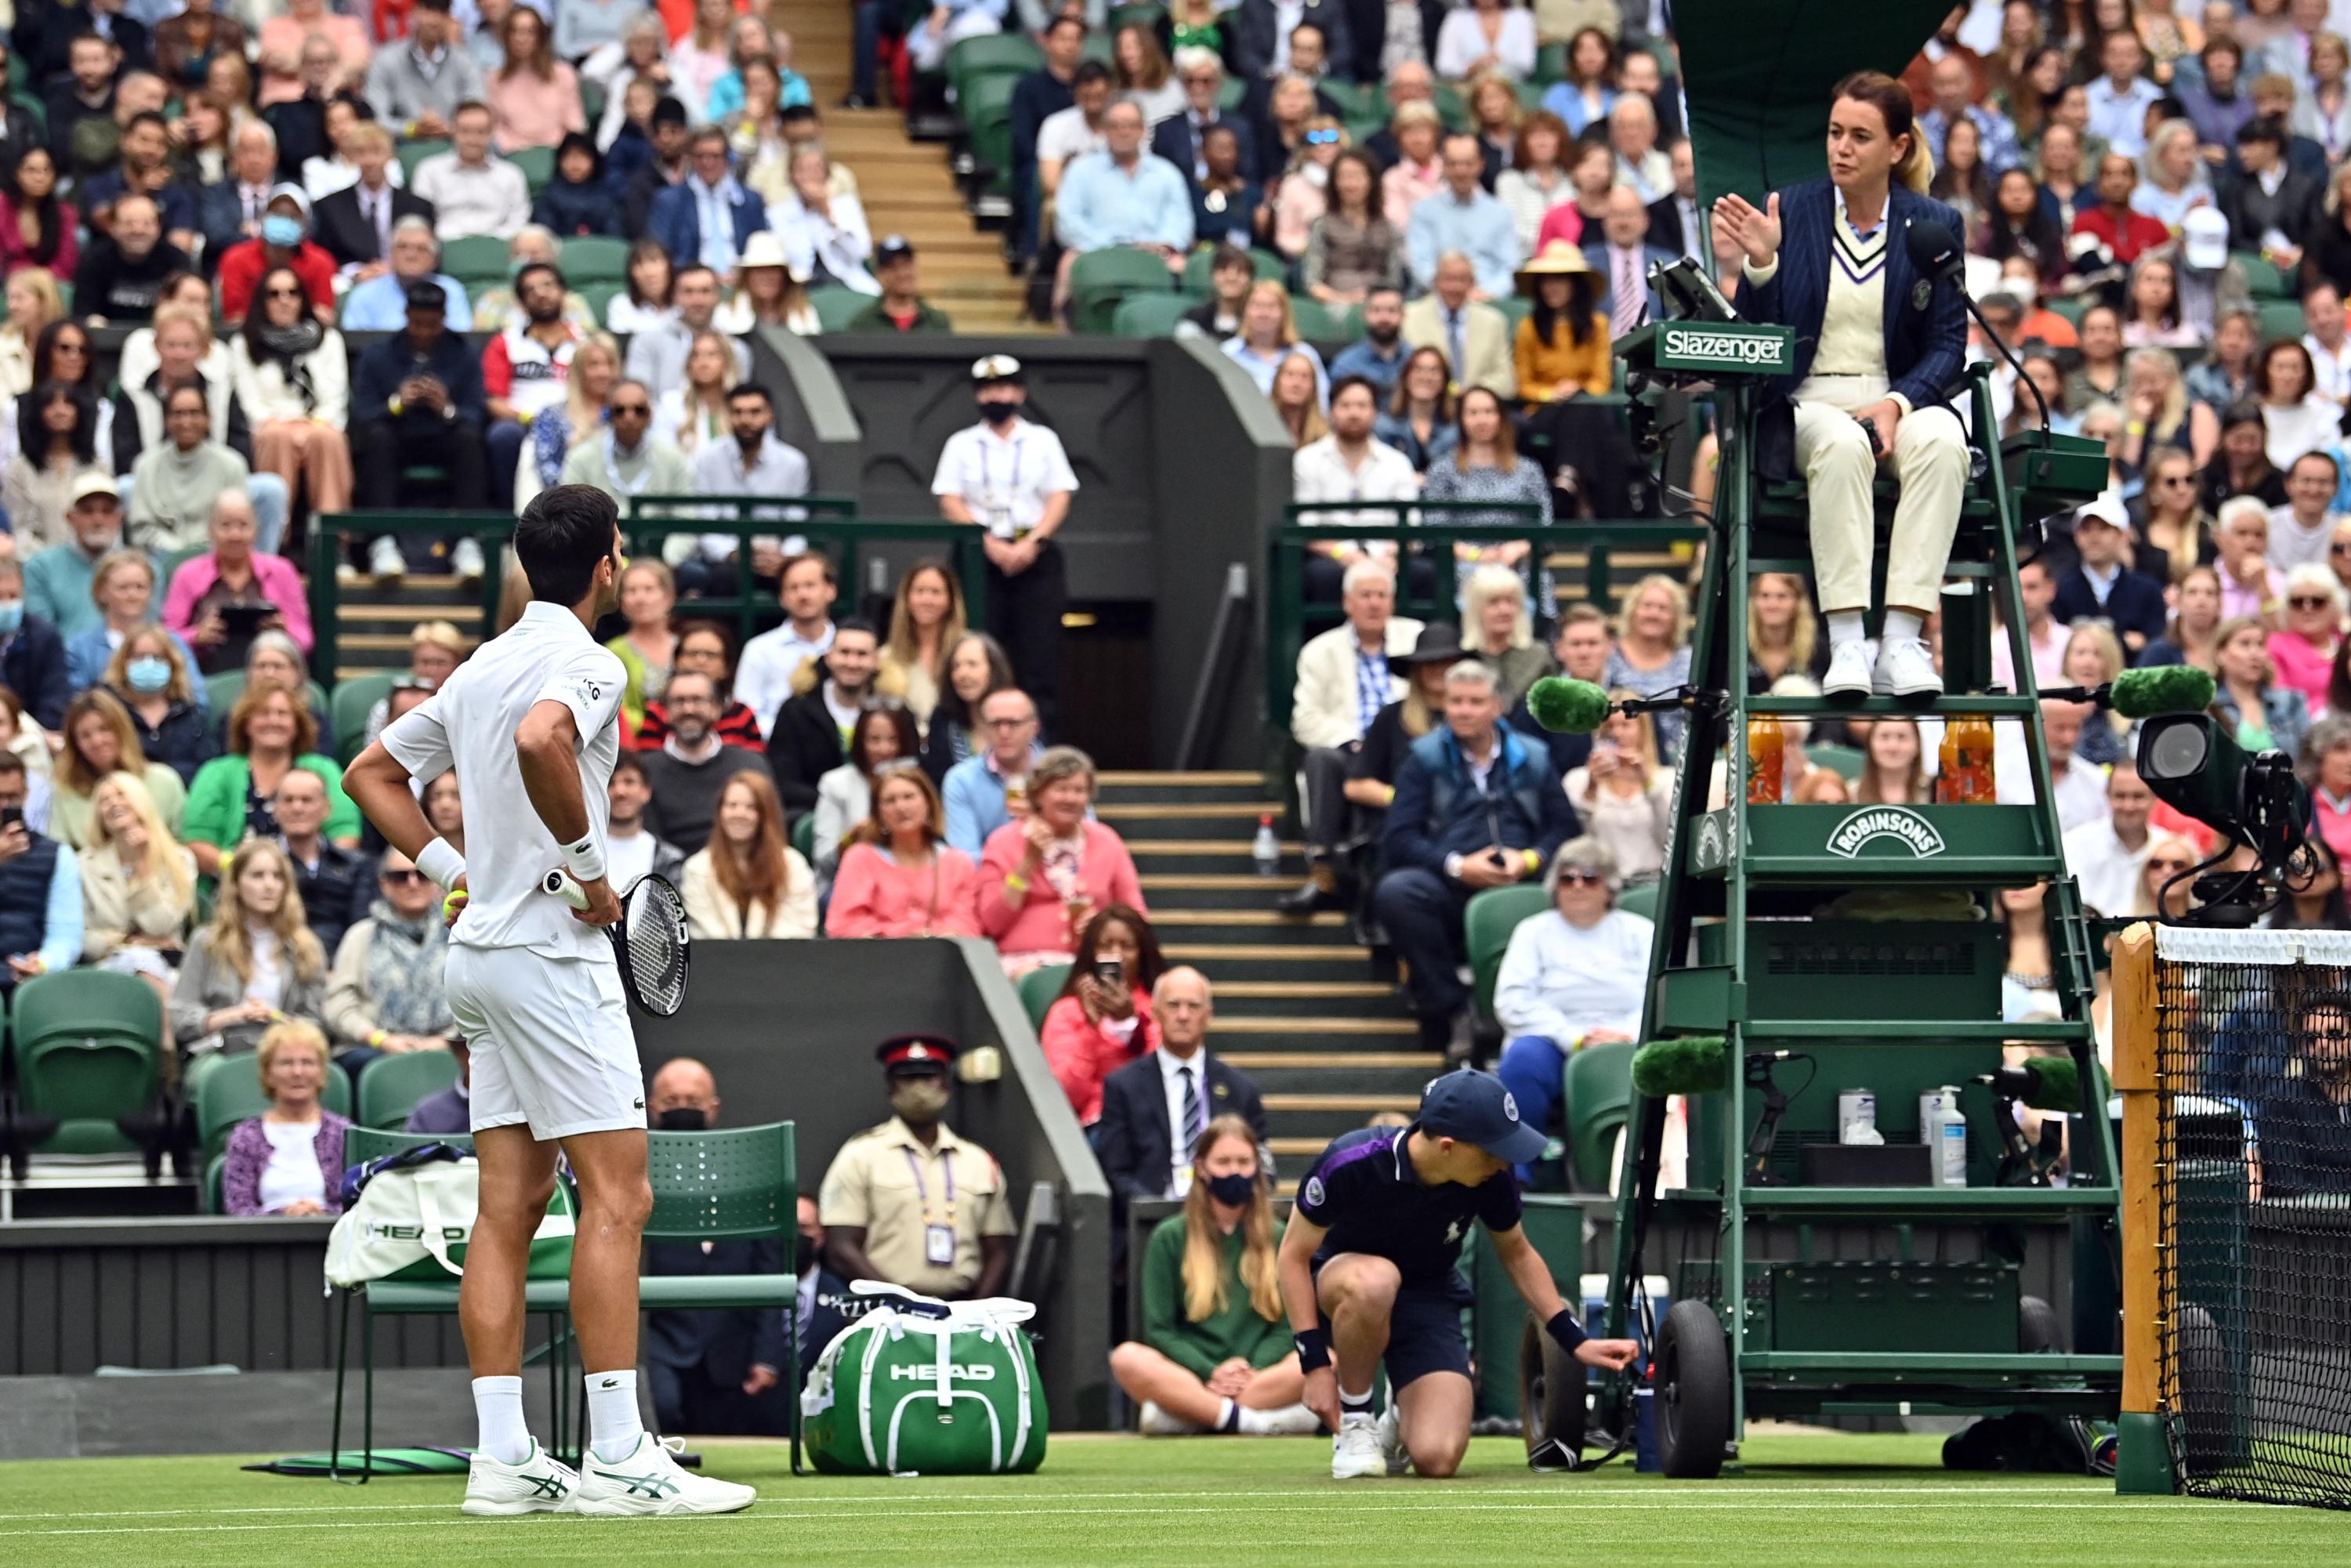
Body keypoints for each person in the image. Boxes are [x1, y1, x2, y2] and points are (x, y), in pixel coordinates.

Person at [341, 483, 758, 1515]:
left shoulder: (479, 663)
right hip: (549, 957)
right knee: (620, 1197)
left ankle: (504, 1459)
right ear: (609, 564)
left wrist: (455, 868)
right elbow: (541, 741)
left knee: (510, 1206)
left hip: (478, 956)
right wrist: (587, 868)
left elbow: (368, 773)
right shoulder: (585, 660)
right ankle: (619, 1455)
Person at [1712, 71, 1969, 701]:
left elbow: (1949, 343)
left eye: (1860, 136)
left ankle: (1903, 639)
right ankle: (1849, 639)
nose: (1842, 149)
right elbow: (1756, 340)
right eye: (1834, 133)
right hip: (1806, 402)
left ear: (1898, 148)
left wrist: (1897, 403)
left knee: (1943, 440)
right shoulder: (1793, 209)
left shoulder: (1935, 224)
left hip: (1897, 396)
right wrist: (1764, 263)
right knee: (1844, 443)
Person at [1278, 1068, 1637, 1479]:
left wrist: (1575, 1341)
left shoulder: (1491, 1178)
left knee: (1438, 1457)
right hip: (1343, 1289)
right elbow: (1292, 1256)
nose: (1503, 1161)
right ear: (1448, 1147)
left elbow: (1518, 1254)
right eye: (1491, 1151)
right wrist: (1316, 1365)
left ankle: (1397, 1417)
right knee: (1376, 1280)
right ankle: (1358, 1420)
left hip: (1427, 1298)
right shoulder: (1351, 1162)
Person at [1375, 661, 1576, 1052]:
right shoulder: (1424, 757)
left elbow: (1564, 828)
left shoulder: (1533, 756)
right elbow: (1399, 837)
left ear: (1496, 706)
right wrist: (1457, 865)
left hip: (1524, 879)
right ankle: (1454, 1011)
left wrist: (1531, 859)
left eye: (1475, 701)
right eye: (1456, 702)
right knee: (1397, 893)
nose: (1464, 711)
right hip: (1452, 880)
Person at [1114, 1114, 1320, 1436]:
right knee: (1127, 1358)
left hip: (1259, 1375)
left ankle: (1193, 1415)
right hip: (1193, 1374)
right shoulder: (1169, 1236)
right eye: (1223, 1162)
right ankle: (1250, 1421)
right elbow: (1159, 1330)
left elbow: (1289, 1327)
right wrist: (1211, 1371)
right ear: (1202, 1168)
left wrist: (1251, 1370)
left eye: (1244, 1161)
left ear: (1257, 1168)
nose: (1234, 1171)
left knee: (1327, 1362)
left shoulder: (1280, 1236)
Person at [633, 1057, 793, 1436]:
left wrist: (768, 1357)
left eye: (693, 1100)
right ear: (652, 1108)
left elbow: (771, 1271)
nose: (682, 1109)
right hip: (659, 1346)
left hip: (732, 1352)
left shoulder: (749, 1176)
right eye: (671, 1102)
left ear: (713, 1107)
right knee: (664, 1414)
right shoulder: (631, 1178)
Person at [1491, 837, 1654, 1182]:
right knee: (1520, 1063)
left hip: (1629, 1040)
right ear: (1555, 886)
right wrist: (1574, 1038)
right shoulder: (1533, 931)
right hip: (1552, 1041)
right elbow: (1512, 1000)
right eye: (1568, 878)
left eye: (1590, 877)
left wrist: (1626, 1035)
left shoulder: (1641, 932)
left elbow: (1660, 997)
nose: (1578, 885)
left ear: (1609, 887)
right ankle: (1517, 1178)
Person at [934, 356, 1078, 727]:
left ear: (1020, 392)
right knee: (978, 648)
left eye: (1003, 387)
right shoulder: (961, 443)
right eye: (987, 389)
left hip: (1034, 552)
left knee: (1040, 655)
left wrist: (1034, 541)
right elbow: (949, 498)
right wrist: (987, 543)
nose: (996, 395)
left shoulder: (1042, 440)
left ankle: (1040, 743)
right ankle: (975, 735)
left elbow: (1060, 494)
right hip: (980, 554)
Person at [819, 1034, 1016, 1301]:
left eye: (928, 1077)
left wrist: (974, 1313)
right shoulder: (861, 1155)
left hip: (963, 1312)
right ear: (890, 1087)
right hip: (887, 1313)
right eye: (908, 1078)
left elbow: (999, 1251)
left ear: (946, 1084)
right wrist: (902, 1302)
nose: (919, 1087)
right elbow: (841, 1248)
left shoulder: (978, 1161)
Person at [1096, 966, 1268, 1211]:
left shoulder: (1241, 1089)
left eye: (1193, 1006)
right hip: (1149, 1219)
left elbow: (1261, 1169)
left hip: (1224, 1216)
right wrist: (1156, 1211)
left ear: (1208, 1015)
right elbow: (1115, 1171)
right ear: (1155, 1012)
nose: (1183, 1015)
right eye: (1173, 1005)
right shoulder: (1123, 1086)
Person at [975, 744, 1147, 972]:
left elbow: (1137, 917)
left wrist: (1104, 925)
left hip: (1094, 959)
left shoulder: (1107, 841)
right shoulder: (1004, 842)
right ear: (1038, 794)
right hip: (1025, 963)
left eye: (1079, 790)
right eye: (1061, 789)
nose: (1071, 798)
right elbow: (991, 922)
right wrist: (1027, 863)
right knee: (1040, 982)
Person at [351, 282, 491, 552]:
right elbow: (364, 413)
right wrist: (396, 403)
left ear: (444, 320)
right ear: (405, 316)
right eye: (417, 324)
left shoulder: (464, 353)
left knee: (469, 438)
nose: (424, 332)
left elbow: (476, 413)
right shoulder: (378, 354)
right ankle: (383, 541)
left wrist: (446, 408)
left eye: (432, 325)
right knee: (377, 437)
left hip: (445, 437)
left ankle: (468, 541)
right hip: (398, 436)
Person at [182, 682, 357, 879]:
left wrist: (314, 873)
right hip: (234, 885)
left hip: (314, 884)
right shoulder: (217, 772)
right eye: (263, 713)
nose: (273, 720)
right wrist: (243, 870)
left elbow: (346, 833)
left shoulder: (323, 769)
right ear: (246, 723)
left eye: (283, 714)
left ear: (297, 725)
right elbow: (197, 839)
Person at [170, 838, 328, 1056]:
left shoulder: (306, 946)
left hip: (285, 1053)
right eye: (257, 876)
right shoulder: (207, 942)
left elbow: (316, 1022)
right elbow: (180, 1016)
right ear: (236, 884)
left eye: (278, 876)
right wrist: (236, 1015)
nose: (269, 885)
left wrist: (275, 1018)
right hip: (220, 1051)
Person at [229, 266, 352, 517]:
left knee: (327, 438)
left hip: (317, 423)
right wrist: (284, 423)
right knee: (278, 437)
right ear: (262, 300)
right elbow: (250, 401)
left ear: (302, 298)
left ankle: (332, 537)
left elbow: (335, 396)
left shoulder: (329, 340)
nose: (284, 301)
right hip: (270, 426)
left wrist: (316, 422)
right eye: (274, 294)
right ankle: (274, 535)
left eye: (292, 293)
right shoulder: (244, 344)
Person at [323, 846, 458, 1070]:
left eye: (422, 875)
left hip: (451, 1046)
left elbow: (478, 998)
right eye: (400, 877)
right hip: (376, 1048)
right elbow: (338, 1003)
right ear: (384, 884)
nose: (412, 883)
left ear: (436, 882)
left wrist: (449, 1041)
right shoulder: (362, 935)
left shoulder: (458, 933)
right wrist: (380, 1039)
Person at [1291, 378, 1423, 600]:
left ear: (1375, 413)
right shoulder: (1308, 460)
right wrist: (1343, 554)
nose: (1354, 413)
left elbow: (1411, 527)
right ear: (1331, 412)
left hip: (1387, 554)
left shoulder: (1397, 462)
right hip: (1332, 556)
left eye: (1362, 406)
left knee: (1424, 575)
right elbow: (1307, 528)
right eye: (1345, 406)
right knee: (1320, 576)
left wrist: (1389, 555)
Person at [1041, 903, 1165, 1123]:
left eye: (1127, 946)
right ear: (1091, 953)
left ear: (1142, 954)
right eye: (1106, 946)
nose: (1116, 955)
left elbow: (1166, 1084)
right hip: (1095, 1124)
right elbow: (1065, 1096)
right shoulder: (1067, 1012)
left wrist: (1131, 1024)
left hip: (1151, 1123)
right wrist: (1090, 1028)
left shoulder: (1159, 1006)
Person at [161, 493, 311, 676]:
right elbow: (167, 639)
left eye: (243, 525)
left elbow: (306, 639)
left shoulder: (283, 571)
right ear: (211, 530)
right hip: (205, 672)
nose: (235, 535)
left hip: (271, 673)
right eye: (225, 526)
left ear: (256, 530)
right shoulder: (187, 573)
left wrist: (284, 631)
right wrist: (196, 636)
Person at [826, 763, 981, 940]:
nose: (901, 807)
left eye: (909, 797)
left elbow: (968, 924)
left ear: (929, 803)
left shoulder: (958, 862)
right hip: (879, 958)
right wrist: (900, 936)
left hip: (942, 957)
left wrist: (932, 937)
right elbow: (843, 924)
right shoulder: (859, 858)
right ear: (878, 812)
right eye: (890, 801)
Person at [78, 770, 195, 996]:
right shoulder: (85, 864)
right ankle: (166, 1032)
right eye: (104, 800)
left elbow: (161, 926)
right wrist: (126, 941)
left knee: (151, 972)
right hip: (107, 966)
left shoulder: (180, 861)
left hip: (168, 967)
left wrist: (143, 865)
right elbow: (82, 936)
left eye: (122, 795)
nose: (113, 804)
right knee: (140, 962)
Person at [637, 669, 775, 856]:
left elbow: (771, 835)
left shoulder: (750, 765)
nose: (689, 709)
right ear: (665, 712)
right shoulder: (644, 771)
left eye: (698, 700)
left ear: (717, 708)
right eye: (679, 701)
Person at [219, 1021, 347, 1216]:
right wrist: (285, 1215)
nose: (297, 1072)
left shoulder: (344, 1133)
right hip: (265, 1242)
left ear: (322, 1072)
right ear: (268, 1074)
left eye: (308, 1063)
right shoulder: (246, 1136)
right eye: (286, 1063)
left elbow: (360, 1207)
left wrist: (322, 1214)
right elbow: (238, 1208)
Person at [765, 619, 893, 813]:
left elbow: (908, 774)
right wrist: (836, 802)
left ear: (876, 662)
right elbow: (784, 782)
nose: (852, 662)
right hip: (812, 813)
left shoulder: (894, 713)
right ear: (829, 656)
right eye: (844, 652)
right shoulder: (795, 711)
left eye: (862, 654)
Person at [680, 769, 814, 940]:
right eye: (732, 805)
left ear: (767, 814)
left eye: (751, 807)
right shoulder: (697, 869)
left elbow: (796, 930)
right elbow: (706, 934)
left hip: (780, 963)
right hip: (718, 963)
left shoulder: (794, 866)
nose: (740, 814)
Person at [49, 689, 184, 853]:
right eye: (85, 735)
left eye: (104, 729)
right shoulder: (64, 792)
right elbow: (60, 855)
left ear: (121, 730)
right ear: (75, 744)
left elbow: (183, 846)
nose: (97, 741)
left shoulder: (165, 781)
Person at [1561, 695, 1671, 878]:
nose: (1617, 734)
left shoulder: (1668, 779)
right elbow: (1575, 843)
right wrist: (1591, 789)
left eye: (1625, 725)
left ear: (1643, 730)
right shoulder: (1577, 780)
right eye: (1609, 727)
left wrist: (1648, 784)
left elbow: (1673, 840)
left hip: (1656, 880)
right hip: (1601, 883)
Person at [812, 704, 918, 885]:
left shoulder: (915, 784)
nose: (884, 749)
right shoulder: (835, 784)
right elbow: (823, 862)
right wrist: (850, 840)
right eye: (874, 740)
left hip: (906, 881)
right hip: (845, 882)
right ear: (860, 741)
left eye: (893, 740)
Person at [2054, 495, 2168, 655]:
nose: (2094, 538)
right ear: (2076, 537)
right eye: (2086, 530)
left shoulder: (2148, 591)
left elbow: (2157, 642)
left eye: (2103, 529)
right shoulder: (2061, 590)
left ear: (2123, 536)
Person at [1406, 134, 1517, 298]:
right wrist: (1450, 290)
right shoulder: (1424, 211)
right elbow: (1420, 264)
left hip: (1487, 299)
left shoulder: (1500, 213)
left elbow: (1509, 268)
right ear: (1443, 166)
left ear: (1480, 164)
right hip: (1437, 299)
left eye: (1468, 163)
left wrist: (1487, 292)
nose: (1461, 171)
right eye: (1453, 164)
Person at [103, 624, 212, 784]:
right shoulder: (109, 713)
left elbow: (205, 770)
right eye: (139, 657)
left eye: (158, 657)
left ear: (172, 663)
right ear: (123, 663)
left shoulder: (190, 714)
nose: (149, 664)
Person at [412, 100, 531, 243]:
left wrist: (494, 240)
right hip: (443, 245)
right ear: (452, 130)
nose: (473, 139)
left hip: (499, 245)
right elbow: (421, 219)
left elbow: (519, 219)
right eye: (465, 131)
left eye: (481, 132)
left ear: (492, 133)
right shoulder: (429, 170)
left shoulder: (511, 174)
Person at [1400, 253, 1515, 400]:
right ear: (1435, 281)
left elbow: (1506, 382)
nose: (1455, 287)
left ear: (1472, 283)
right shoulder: (1409, 317)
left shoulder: (1493, 322)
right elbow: (1401, 374)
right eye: (1449, 279)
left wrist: (1470, 392)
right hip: (1427, 406)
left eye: (1462, 280)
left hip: (1476, 408)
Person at [71, 194, 190, 325]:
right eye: (129, 223)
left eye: (147, 223)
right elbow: (83, 313)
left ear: (158, 228)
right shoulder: (94, 260)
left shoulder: (176, 261)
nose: (138, 230)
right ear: (113, 228)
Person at [603, 751, 686, 896]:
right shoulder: (580, 854)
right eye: (610, 783)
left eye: (629, 782)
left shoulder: (670, 860)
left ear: (646, 791)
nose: (620, 792)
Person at [1375, 347, 1462, 473]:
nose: (1426, 377)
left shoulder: (1456, 431)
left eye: (1434, 370)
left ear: (1445, 381)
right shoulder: (1383, 427)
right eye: (1418, 369)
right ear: (1405, 377)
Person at [1328, 285, 1409, 396]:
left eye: (1392, 310)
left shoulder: (1415, 361)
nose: (1384, 317)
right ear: (1364, 315)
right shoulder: (1346, 365)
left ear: (1403, 315)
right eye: (1376, 310)